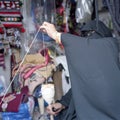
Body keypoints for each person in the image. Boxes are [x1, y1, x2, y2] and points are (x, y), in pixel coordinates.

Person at [40, 20, 120, 120]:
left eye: (90, 34)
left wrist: (57, 35)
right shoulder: (93, 62)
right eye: (84, 36)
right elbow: (81, 86)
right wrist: (62, 103)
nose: (87, 39)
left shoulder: (111, 47)